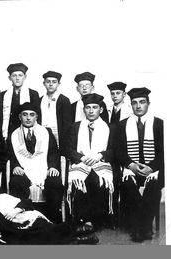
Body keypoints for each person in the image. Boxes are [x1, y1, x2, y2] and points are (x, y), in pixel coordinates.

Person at [0, 178, 99, 245]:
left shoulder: (2, 198)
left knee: (46, 231)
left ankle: (80, 231)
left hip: (26, 222)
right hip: (13, 235)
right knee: (37, 242)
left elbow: (27, 203)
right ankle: (81, 237)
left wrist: (16, 210)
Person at [115, 87, 164, 242]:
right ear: (131, 105)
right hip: (131, 169)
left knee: (153, 188)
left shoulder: (159, 124)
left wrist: (151, 167)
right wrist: (131, 165)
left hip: (153, 170)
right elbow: (118, 151)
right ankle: (138, 227)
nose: (138, 106)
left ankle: (145, 226)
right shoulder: (122, 126)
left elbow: (165, 151)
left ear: (148, 104)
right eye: (135, 103)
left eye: (142, 102)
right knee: (129, 187)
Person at [64, 93, 114, 232]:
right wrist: (81, 157)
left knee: (98, 180)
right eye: (88, 108)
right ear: (84, 110)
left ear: (101, 110)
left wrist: (100, 155)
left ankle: (95, 220)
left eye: (95, 107)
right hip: (81, 163)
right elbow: (66, 148)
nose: (91, 110)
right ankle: (84, 220)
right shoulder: (75, 127)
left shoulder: (110, 128)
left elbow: (114, 150)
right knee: (81, 180)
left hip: (101, 164)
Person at [8, 102, 63, 223]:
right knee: (16, 182)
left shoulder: (46, 132)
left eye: (31, 115)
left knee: (55, 183)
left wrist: (53, 167)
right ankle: (22, 219)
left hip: (44, 169)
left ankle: (52, 220)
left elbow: (54, 152)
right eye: (25, 114)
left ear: (36, 117)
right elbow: (10, 155)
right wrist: (16, 166)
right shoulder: (14, 134)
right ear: (19, 117)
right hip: (23, 170)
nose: (28, 118)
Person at [1, 63, 40, 141]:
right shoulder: (3, 95)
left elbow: (36, 116)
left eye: (20, 75)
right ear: (9, 78)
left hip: (25, 131)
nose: (17, 78)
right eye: (14, 75)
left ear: (25, 77)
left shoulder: (32, 94)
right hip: (9, 131)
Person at [39, 70, 73, 152]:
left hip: (59, 137)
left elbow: (67, 124)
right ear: (44, 83)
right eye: (48, 82)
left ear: (58, 84)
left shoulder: (64, 100)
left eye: (54, 82)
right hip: (42, 134)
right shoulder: (40, 100)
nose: (51, 84)